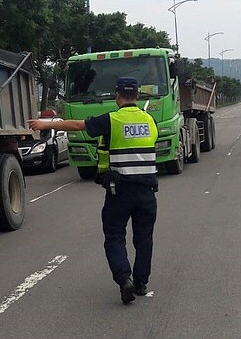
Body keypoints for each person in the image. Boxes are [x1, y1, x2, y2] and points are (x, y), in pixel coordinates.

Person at [28, 77, 158, 304]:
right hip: (147, 191)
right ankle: (141, 282)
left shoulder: (112, 120)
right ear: (137, 96)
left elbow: (78, 125)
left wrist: (46, 125)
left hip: (121, 192)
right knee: (144, 239)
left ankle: (123, 279)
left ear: (117, 95)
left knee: (115, 235)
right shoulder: (150, 121)